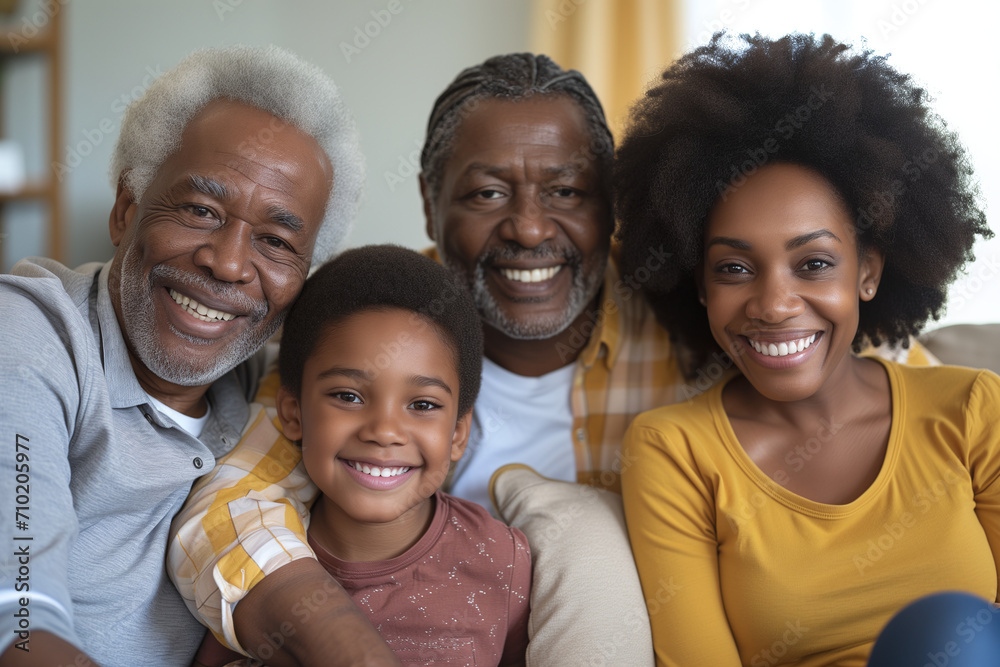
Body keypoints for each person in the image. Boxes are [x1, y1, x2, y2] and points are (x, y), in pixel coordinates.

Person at [167, 51, 940, 657]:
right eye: (486, 193)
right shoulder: (373, 322)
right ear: (431, 201)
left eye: (566, 191)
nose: (530, 229)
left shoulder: (699, 318)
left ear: (613, 205)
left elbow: (885, 396)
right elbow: (225, 509)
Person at [0, 45, 402, 667]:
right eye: (200, 211)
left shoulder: (273, 389)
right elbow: (18, 619)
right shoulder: (28, 338)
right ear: (126, 208)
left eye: (275, 241)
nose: (230, 263)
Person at [615, 33, 997, 665]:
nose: (773, 304)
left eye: (813, 263)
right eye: (734, 270)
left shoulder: (974, 410)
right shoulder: (673, 452)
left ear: (868, 273)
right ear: (700, 288)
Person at [188, 245, 531, 667]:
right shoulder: (253, 562)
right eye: (348, 396)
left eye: (422, 405)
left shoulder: (503, 561)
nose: (384, 431)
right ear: (293, 414)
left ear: (458, 433)